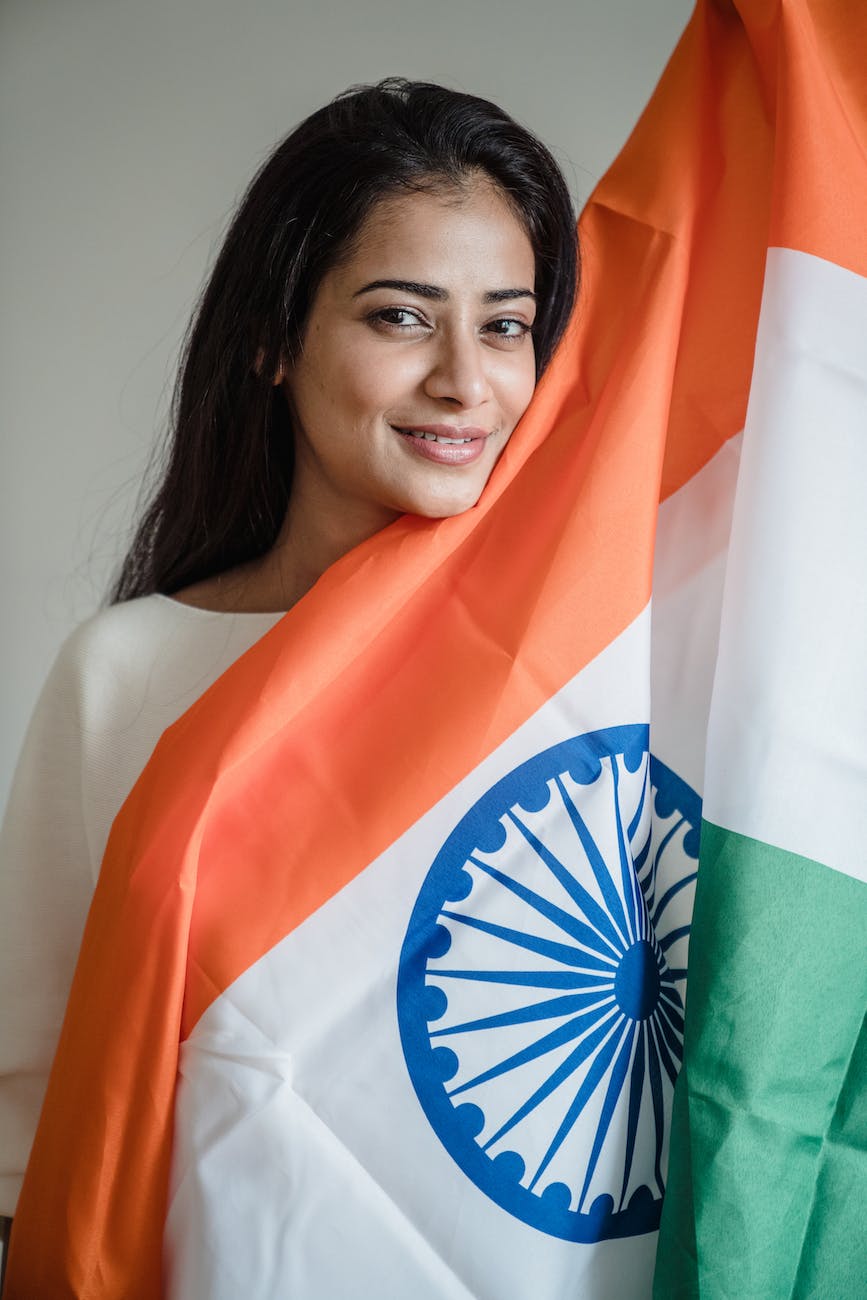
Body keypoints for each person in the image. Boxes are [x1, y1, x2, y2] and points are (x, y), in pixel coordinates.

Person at [0, 79, 580, 1297]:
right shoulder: (127, 673)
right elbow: (33, 1101)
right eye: (402, 318)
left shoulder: (571, 684)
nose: (467, 382)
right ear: (275, 340)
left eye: (508, 324)